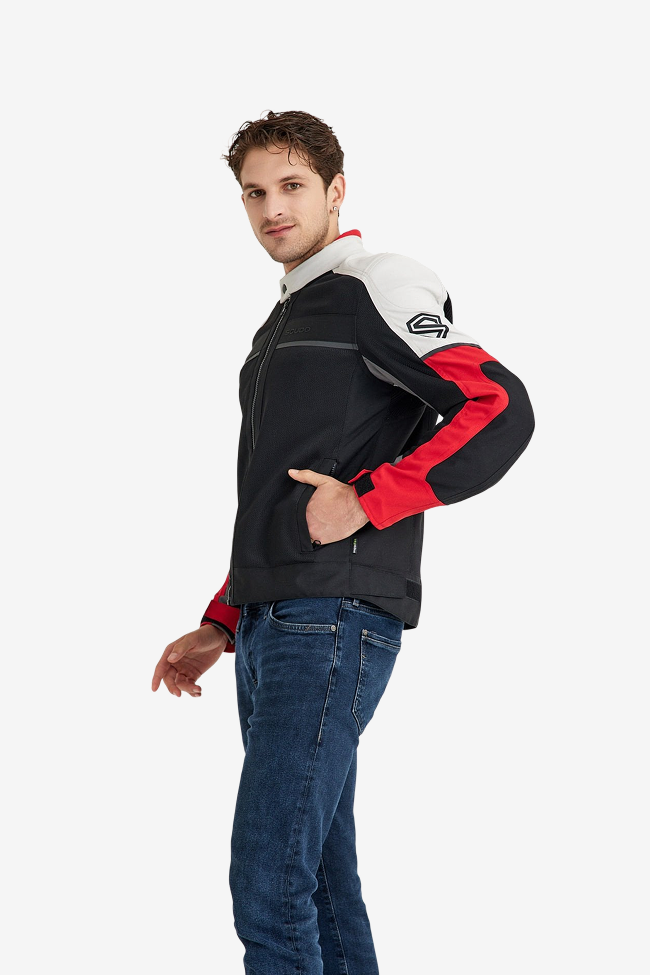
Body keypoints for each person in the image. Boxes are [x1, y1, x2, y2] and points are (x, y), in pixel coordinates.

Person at [151, 109, 535, 974]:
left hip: (329, 620)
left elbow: (498, 406)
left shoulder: (377, 283)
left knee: (269, 877)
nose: (272, 209)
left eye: (292, 186)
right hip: (274, 622)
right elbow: (283, 487)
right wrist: (222, 618)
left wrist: (371, 499)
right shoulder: (283, 318)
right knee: (318, 879)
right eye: (254, 193)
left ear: (336, 191)